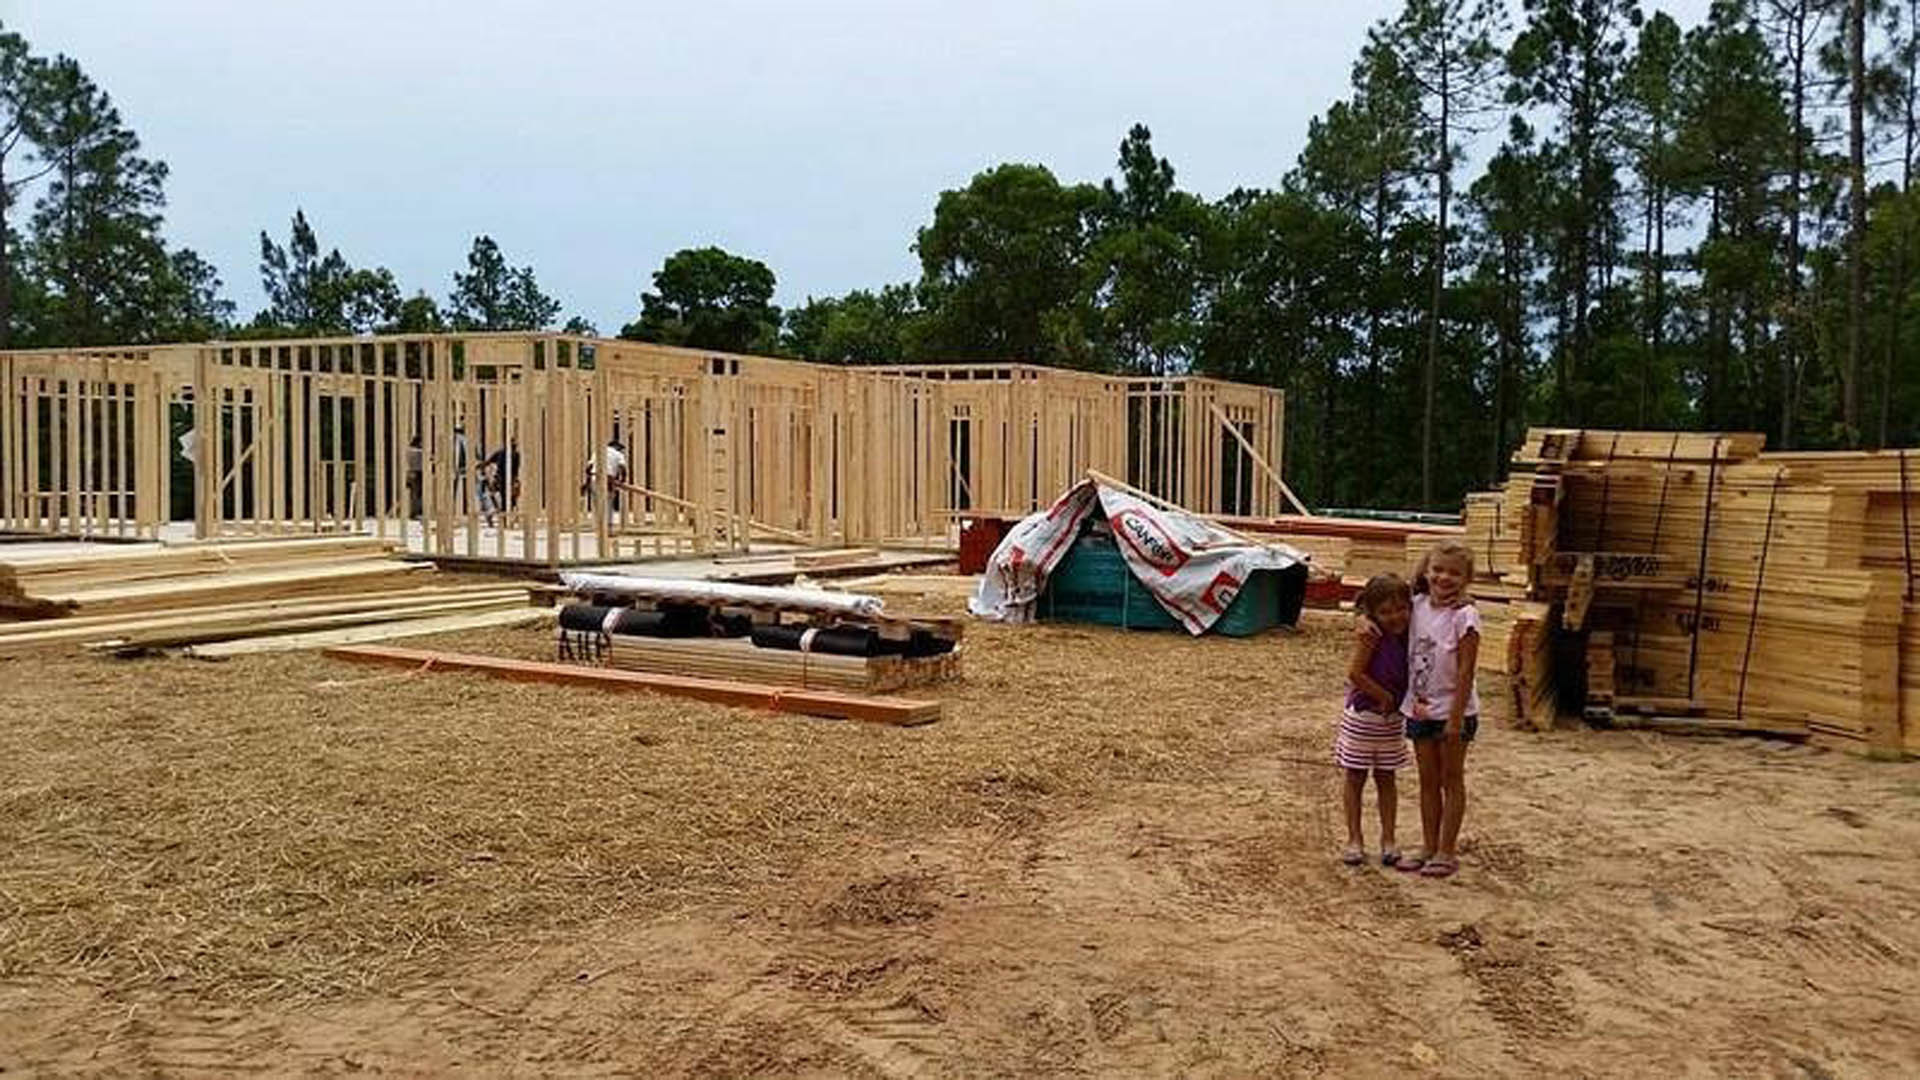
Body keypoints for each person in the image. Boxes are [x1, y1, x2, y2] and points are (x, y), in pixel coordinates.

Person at [1396, 539, 1481, 879]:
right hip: (1420, 709)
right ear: (1426, 571)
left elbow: (1466, 669)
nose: (1444, 578)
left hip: (1453, 712)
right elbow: (1376, 600)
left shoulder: (1465, 615)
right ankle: (1428, 846)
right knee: (1427, 781)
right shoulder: (1415, 605)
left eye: (1454, 573)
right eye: (1438, 570)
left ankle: (1447, 850)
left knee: (1451, 778)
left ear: (1467, 579)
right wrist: (1361, 620)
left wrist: (1456, 719)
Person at [1339, 574, 1413, 867]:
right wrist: (1383, 696)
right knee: (1355, 776)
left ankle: (1389, 839)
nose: (1395, 616)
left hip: (1391, 720)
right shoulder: (1371, 636)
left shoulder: (1409, 633)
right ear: (1373, 613)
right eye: (1385, 611)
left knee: (1387, 778)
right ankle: (1354, 839)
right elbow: (1354, 673)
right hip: (1365, 715)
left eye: (1401, 609)